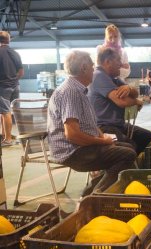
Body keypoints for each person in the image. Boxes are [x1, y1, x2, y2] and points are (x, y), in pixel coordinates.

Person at [47, 50, 136, 197]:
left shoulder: (78, 90)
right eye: (91, 65)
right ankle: (96, 196)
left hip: (80, 146)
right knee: (127, 155)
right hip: (73, 151)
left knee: (126, 147)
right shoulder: (71, 92)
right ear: (83, 68)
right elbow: (72, 135)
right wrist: (102, 141)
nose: (93, 69)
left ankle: (90, 194)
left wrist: (105, 141)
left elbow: (92, 125)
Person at [88, 47, 151, 155]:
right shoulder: (99, 76)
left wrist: (129, 88)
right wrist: (136, 101)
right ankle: (117, 164)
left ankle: (124, 163)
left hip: (118, 124)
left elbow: (135, 93)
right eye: (118, 60)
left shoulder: (114, 78)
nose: (121, 64)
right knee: (129, 147)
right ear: (108, 62)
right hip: (103, 127)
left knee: (146, 136)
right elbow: (122, 102)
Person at [0, 31, 24, 147]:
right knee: (14, 112)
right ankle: (6, 134)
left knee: (5, 112)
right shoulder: (15, 53)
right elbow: (21, 72)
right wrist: (13, 81)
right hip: (15, 86)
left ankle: (8, 139)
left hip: (3, 87)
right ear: (8, 40)